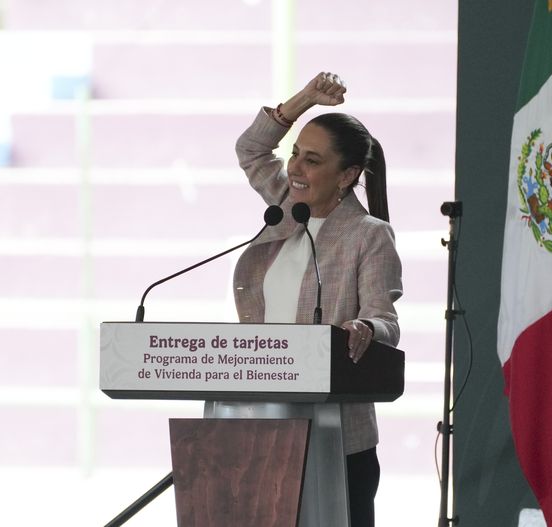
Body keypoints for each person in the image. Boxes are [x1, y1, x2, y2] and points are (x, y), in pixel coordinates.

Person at [232, 71, 403, 527]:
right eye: (295, 156)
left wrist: (366, 330)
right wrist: (305, 100)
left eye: (312, 160)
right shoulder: (289, 207)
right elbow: (250, 149)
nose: (295, 169)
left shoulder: (369, 236)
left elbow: (385, 320)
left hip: (339, 440)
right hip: (265, 427)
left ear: (347, 175)